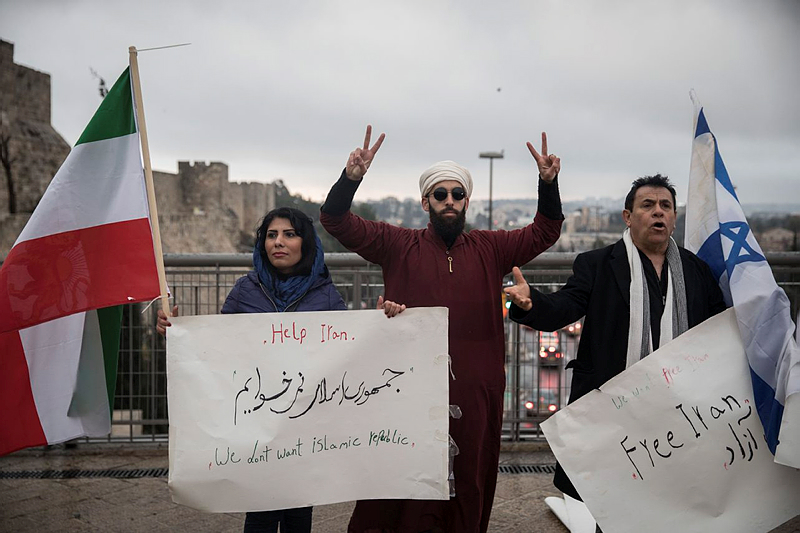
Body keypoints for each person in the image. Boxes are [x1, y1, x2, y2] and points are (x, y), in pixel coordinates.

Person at [319, 125, 564, 533]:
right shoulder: (395, 243)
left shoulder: (491, 248)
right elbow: (335, 220)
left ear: (467, 200)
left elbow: (545, 230)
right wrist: (352, 178)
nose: (449, 202)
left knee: (469, 480)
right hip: (407, 388)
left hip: (476, 387)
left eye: (456, 194)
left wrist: (548, 184)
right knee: (401, 481)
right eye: (440, 194)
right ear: (425, 202)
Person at [157, 206, 405, 533]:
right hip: (258, 424)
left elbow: (348, 354)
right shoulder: (245, 291)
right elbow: (217, 350)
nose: (279, 242)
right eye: (271, 235)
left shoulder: (326, 296)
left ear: (306, 243)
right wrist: (176, 332)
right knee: (261, 510)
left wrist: (376, 325)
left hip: (306, 425)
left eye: (289, 234)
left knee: (299, 512)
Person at [504, 174, 727, 505]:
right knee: (615, 507)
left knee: (676, 503)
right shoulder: (596, 265)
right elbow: (563, 308)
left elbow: (717, 333)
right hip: (614, 408)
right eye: (648, 205)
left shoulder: (696, 271)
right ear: (628, 216)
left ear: (675, 218)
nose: (658, 213)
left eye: (666, 206)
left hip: (679, 410)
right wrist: (530, 302)